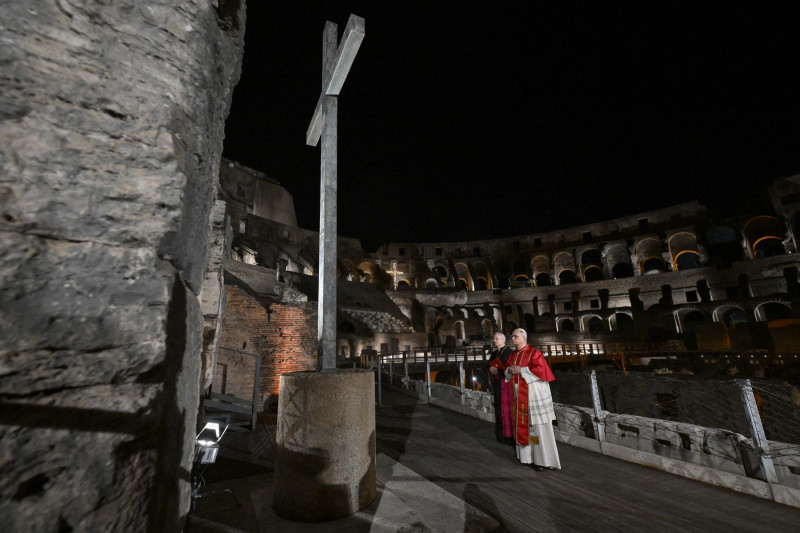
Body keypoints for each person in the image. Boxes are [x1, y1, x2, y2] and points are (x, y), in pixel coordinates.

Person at [505, 328, 561, 471]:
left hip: (533, 395)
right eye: (512, 336)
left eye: (515, 336)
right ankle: (526, 457)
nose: (513, 339)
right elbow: (508, 370)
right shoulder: (513, 355)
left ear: (524, 338)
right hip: (518, 397)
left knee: (536, 427)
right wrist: (509, 371)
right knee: (525, 426)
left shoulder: (534, 353)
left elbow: (542, 371)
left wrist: (521, 370)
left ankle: (541, 460)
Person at [487, 332, 514, 444]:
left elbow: (511, 369)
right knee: (498, 410)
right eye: (494, 339)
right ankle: (501, 436)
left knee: (507, 410)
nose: (495, 340)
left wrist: (498, 371)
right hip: (498, 385)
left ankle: (510, 436)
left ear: (503, 340)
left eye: (497, 339)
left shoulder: (509, 353)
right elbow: (489, 364)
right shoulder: (494, 353)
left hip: (506, 385)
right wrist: (490, 369)